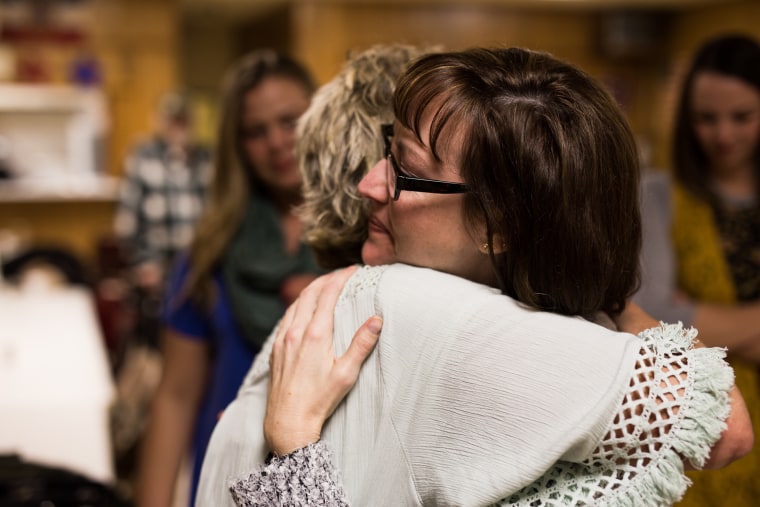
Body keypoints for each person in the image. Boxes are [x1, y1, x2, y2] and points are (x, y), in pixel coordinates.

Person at [196, 46, 753, 506]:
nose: (368, 184)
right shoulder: (422, 309)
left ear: (497, 226)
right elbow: (726, 422)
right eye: (389, 153)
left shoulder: (415, 307)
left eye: (405, 170)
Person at [135, 50, 323, 507]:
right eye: (256, 132)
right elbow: (176, 397)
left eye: (289, 121)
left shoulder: (365, 238)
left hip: (329, 481)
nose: (277, 142)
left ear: (319, 119)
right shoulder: (212, 250)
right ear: (236, 146)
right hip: (226, 483)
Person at [633, 33, 760, 506]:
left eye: (742, 117)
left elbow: (679, 314)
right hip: (707, 421)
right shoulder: (658, 194)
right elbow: (651, 312)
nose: (724, 134)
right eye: (707, 119)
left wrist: (700, 313)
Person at [114, 91, 212, 295]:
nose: (178, 126)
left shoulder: (207, 158)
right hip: (157, 271)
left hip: (203, 269)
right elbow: (126, 224)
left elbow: (219, 214)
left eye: (183, 120)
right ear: (160, 122)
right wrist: (143, 263)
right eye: (172, 120)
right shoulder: (143, 156)